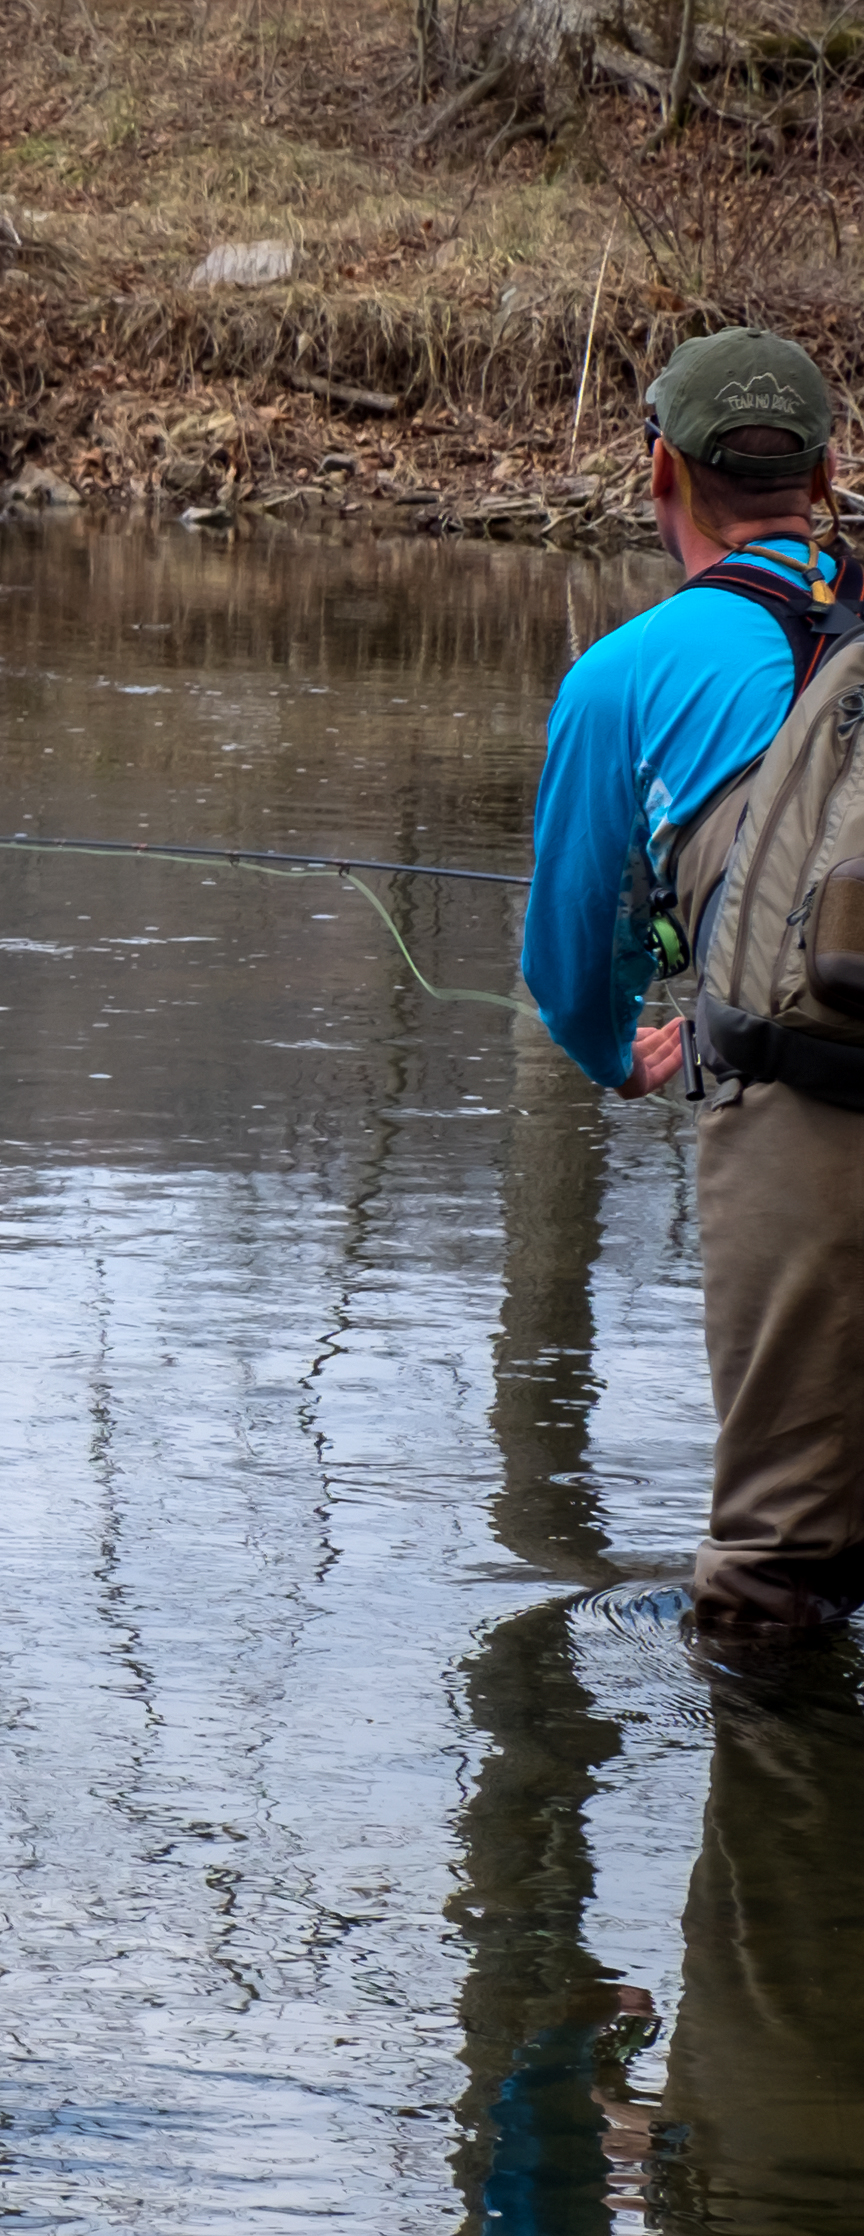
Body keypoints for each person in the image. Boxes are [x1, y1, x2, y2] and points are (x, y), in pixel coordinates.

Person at [520, 327, 861, 1632]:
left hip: (807, 1118)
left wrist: (621, 1045)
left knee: (773, 1574)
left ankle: (777, 1823)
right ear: (829, 475)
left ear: (661, 470)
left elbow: (570, 963)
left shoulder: (624, 677)